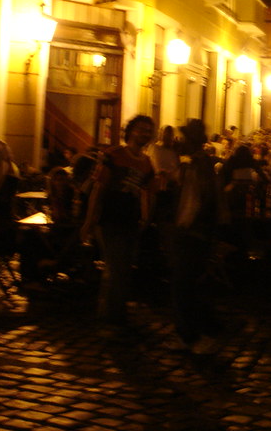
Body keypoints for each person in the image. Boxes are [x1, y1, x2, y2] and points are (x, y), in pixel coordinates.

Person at [81, 115, 156, 327]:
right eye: (141, 129)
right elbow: (98, 188)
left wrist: (144, 219)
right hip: (109, 219)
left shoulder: (147, 163)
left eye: (149, 130)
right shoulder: (113, 155)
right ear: (130, 131)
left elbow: (147, 193)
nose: (145, 134)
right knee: (115, 268)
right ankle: (110, 318)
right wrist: (89, 221)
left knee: (123, 269)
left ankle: (116, 313)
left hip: (130, 221)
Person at [168, 119, 229, 353]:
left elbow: (195, 202)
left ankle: (195, 334)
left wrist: (182, 227)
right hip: (197, 233)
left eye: (184, 138)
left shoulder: (197, 165)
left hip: (192, 233)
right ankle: (203, 330)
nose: (179, 142)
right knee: (192, 284)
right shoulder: (201, 164)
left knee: (184, 287)